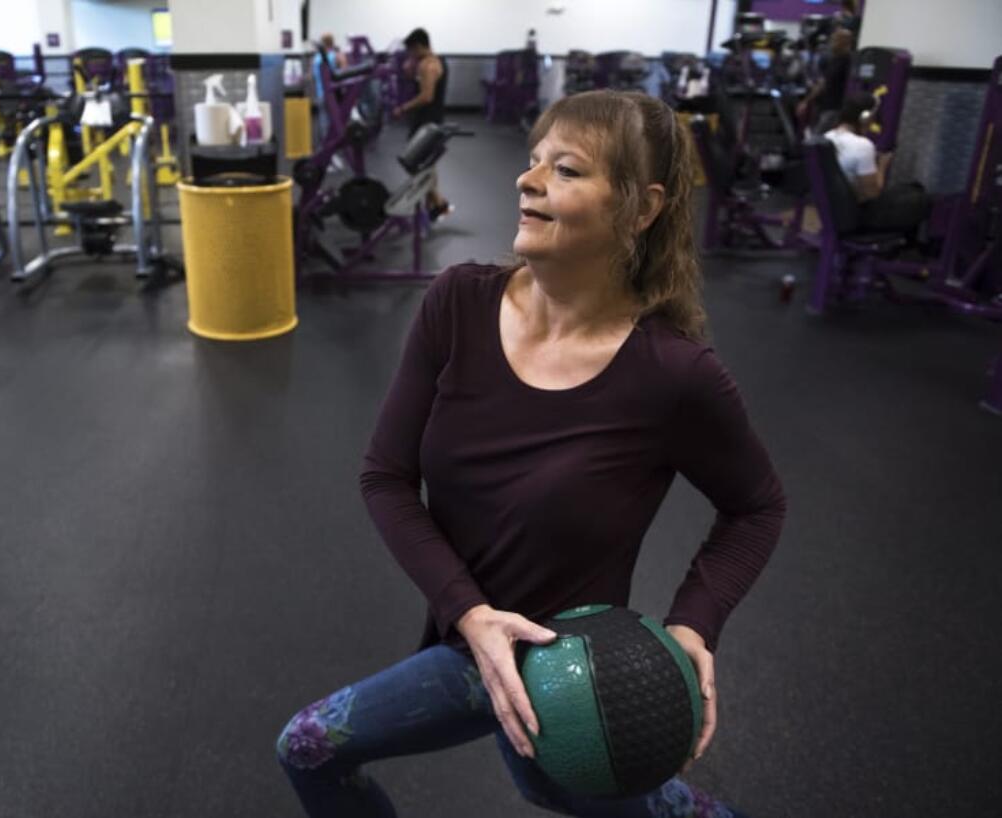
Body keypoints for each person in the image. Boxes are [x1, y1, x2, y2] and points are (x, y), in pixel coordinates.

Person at [277, 90, 786, 817]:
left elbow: (758, 506)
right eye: (533, 161)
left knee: (553, 778)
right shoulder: (456, 304)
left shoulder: (674, 373)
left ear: (640, 210)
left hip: (572, 672)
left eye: (568, 169)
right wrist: (471, 614)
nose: (528, 179)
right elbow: (386, 477)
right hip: (471, 644)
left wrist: (692, 626)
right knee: (323, 751)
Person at [825, 92, 932, 234]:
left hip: (835, 211)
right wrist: (882, 165)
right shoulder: (862, 146)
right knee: (921, 198)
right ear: (865, 117)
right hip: (859, 215)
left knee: (907, 189)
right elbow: (873, 194)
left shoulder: (827, 137)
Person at [392, 28, 452, 221]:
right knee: (426, 167)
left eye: (411, 51)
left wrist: (403, 108)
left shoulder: (429, 65)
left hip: (427, 123)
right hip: (425, 121)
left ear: (418, 46)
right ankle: (434, 207)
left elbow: (427, 96)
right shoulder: (429, 62)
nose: (410, 55)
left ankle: (440, 204)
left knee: (420, 168)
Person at [797, 27, 853, 134]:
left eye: (835, 39)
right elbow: (823, 82)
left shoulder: (847, 60)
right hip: (823, 105)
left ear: (844, 41)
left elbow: (824, 83)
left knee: (817, 137)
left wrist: (806, 101)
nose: (831, 43)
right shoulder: (833, 59)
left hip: (834, 107)